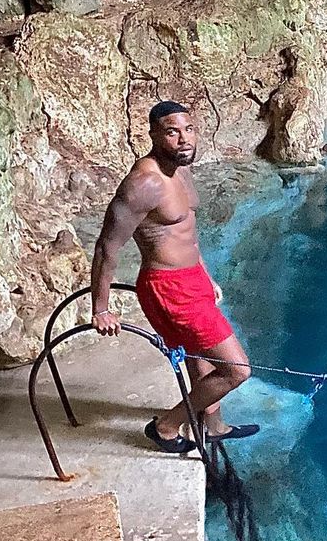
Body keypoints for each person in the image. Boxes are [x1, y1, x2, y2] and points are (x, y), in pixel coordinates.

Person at [90, 100, 259, 453]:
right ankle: (166, 426)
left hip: (192, 277)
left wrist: (206, 276)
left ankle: (213, 427)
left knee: (201, 361)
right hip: (168, 288)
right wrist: (101, 308)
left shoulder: (181, 169)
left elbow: (188, 234)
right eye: (172, 131)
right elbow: (107, 247)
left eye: (189, 129)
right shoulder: (143, 183)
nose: (183, 139)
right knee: (236, 369)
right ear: (153, 135)